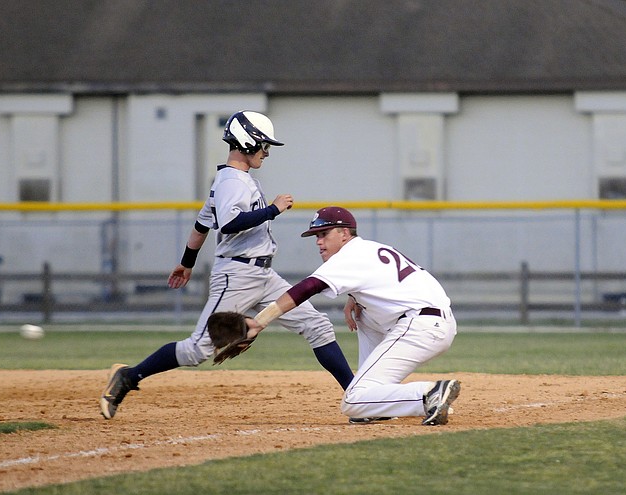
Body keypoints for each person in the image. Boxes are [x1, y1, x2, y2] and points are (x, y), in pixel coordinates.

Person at [100, 111, 354, 419]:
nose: (266, 152)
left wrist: (186, 263)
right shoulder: (233, 181)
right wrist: (273, 209)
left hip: (262, 274)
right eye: (263, 145)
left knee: (316, 325)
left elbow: (200, 226)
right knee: (197, 350)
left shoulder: (233, 179)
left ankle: (357, 396)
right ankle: (129, 377)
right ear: (247, 142)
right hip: (237, 275)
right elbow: (230, 224)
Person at [242, 206, 460, 425]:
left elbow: (307, 288)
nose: (319, 241)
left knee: (352, 401)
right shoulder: (371, 249)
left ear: (344, 234)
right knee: (362, 314)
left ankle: (428, 393)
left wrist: (260, 321)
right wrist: (355, 298)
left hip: (419, 326)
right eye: (317, 236)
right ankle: (374, 401)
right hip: (436, 322)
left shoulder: (348, 255)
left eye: (324, 234)